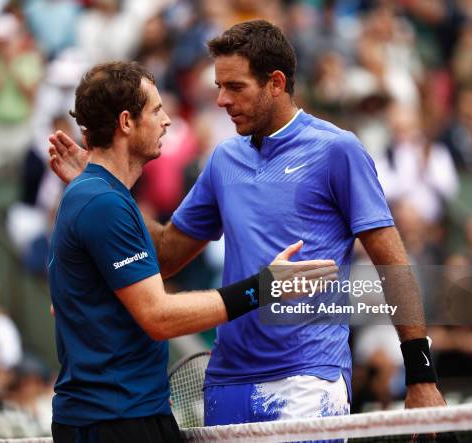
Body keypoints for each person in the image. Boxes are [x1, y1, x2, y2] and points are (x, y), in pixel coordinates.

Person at [49, 20, 445, 427]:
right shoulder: (224, 160)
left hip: (307, 379)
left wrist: (420, 372)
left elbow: (391, 261)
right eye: (219, 87)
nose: (221, 100)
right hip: (226, 381)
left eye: (235, 87)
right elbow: (165, 255)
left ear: (275, 83)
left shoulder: (338, 150)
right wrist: (102, 183)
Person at [48, 61, 337, 442]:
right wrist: (264, 289)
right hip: (115, 420)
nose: (167, 120)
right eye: (155, 110)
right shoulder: (101, 202)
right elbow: (159, 316)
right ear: (125, 122)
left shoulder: (100, 196)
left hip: (120, 415)